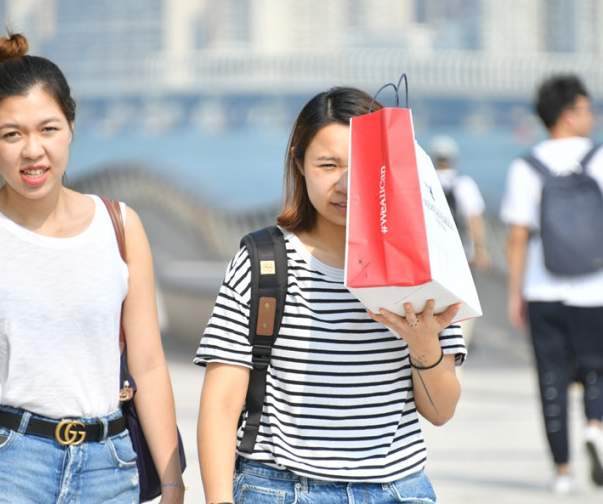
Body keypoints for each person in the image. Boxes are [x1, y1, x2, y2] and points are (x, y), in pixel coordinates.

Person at [0, 33, 184, 503]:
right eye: (11, 134)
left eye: (48, 129)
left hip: (111, 467)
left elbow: (147, 365)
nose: (33, 150)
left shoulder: (121, 226)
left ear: (71, 126)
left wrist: (172, 483)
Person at [195, 86, 466, 503]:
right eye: (328, 164)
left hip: (396, 489)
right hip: (281, 488)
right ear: (299, 164)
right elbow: (221, 402)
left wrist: (422, 342)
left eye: (363, 166)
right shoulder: (264, 260)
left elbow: (441, 410)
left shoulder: (423, 263)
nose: (345, 183)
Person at [501, 74, 603, 495]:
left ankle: (562, 473)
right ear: (569, 114)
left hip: (543, 289)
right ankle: (596, 426)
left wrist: (515, 292)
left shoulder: (527, 165)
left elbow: (517, 237)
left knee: (551, 380)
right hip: (596, 290)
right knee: (598, 369)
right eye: (586, 107)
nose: (592, 115)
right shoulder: (600, 158)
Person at [429, 135, 491, 350]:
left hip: (432, 255)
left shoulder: (425, 181)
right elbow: (474, 218)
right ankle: (459, 341)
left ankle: (434, 339)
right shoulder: (464, 183)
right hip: (462, 254)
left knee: (433, 299)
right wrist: (480, 249)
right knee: (463, 301)